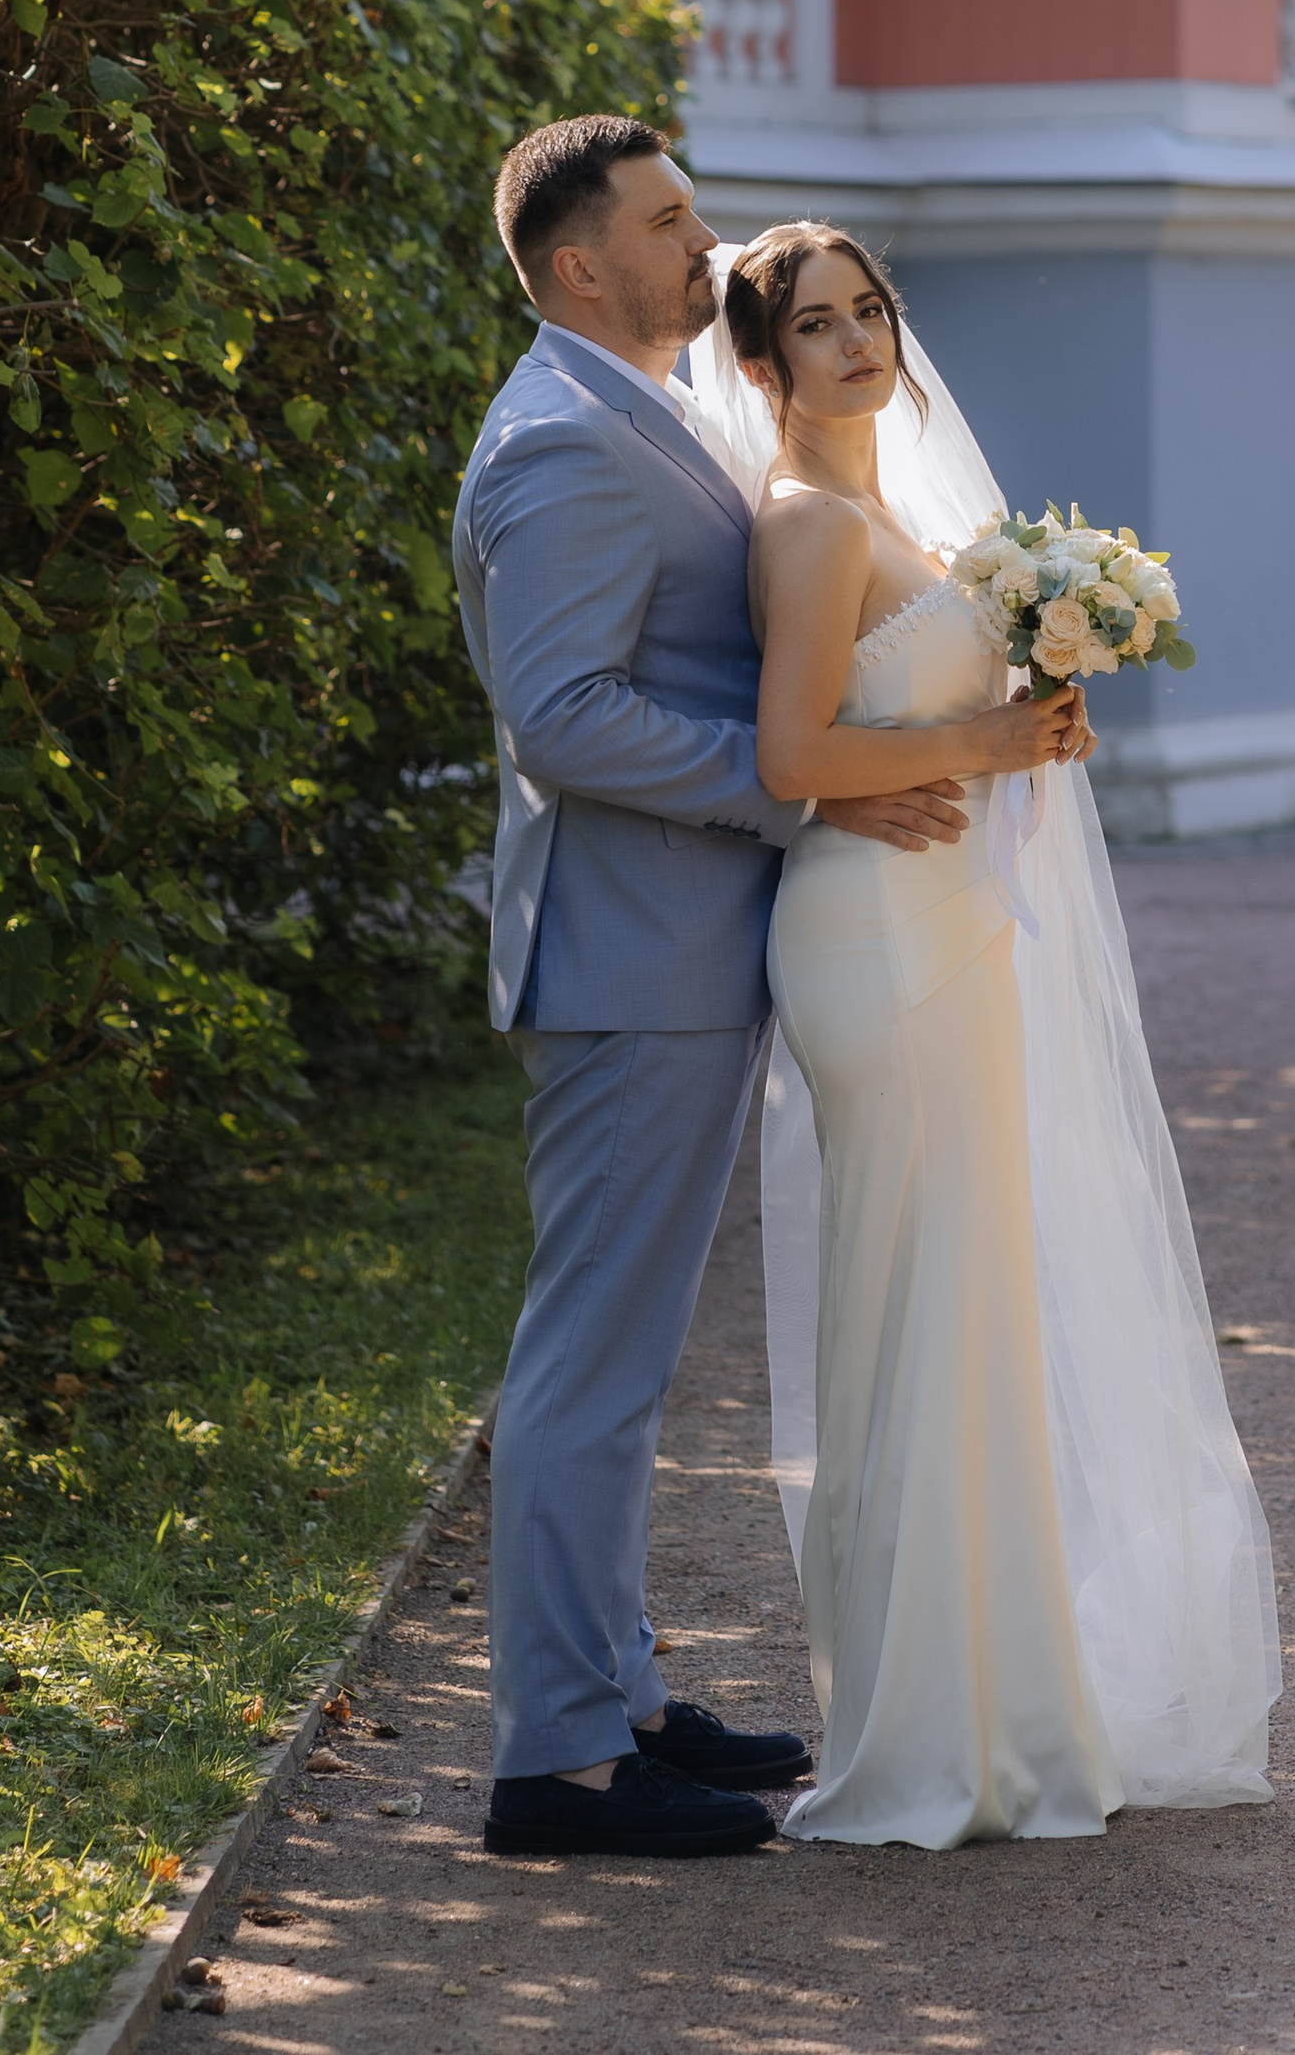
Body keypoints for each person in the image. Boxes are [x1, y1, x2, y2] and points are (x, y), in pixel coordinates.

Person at [452, 118, 1080, 1862]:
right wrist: (804, 786)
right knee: (593, 1359)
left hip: (678, 940)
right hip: (627, 955)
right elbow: (563, 716)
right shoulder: (558, 439)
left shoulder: (637, 410)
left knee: (628, 1356)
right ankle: (560, 1766)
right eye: (668, 222)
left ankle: (623, 1700)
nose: (701, 243)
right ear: (580, 265)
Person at [688, 220, 1281, 1850]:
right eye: (819, 324)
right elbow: (793, 753)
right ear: (765, 364)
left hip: (949, 920)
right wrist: (987, 739)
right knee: (918, 1313)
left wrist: (1030, 727)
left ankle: (1001, 1710)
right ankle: (920, 1728)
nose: (860, 342)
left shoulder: (900, 516)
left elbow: (911, 730)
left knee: (972, 1313)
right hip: (876, 944)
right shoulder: (809, 524)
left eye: (871, 310)